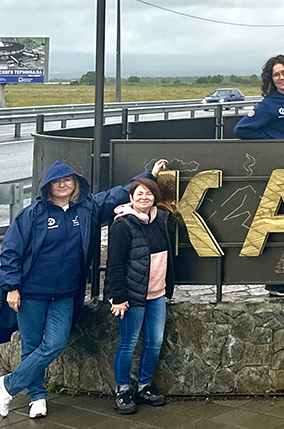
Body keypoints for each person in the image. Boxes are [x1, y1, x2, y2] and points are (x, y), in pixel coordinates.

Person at [0, 159, 166, 420]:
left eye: (68, 180)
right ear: (48, 186)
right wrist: (11, 287)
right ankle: (37, 396)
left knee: (55, 343)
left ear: (76, 184)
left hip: (65, 293)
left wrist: (149, 174)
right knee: (32, 345)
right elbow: (11, 250)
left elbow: (118, 194)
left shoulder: (87, 208)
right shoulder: (32, 214)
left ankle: (8, 385)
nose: (63, 184)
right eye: (57, 181)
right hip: (31, 292)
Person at [234, 54, 284, 297]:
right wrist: (273, 143)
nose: (281, 77)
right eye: (276, 74)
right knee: (278, 223)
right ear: (271, 79)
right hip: (278, 173)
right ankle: (275, 281)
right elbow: (242, 129)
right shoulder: (267, 105)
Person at [105, 178, 174, 415]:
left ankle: (144, 387)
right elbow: (115, 263)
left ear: (155, 197)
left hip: (157, 295)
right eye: (139, 194)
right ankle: (122, 391)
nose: (144, 198)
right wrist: (118, 297)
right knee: (128, 343)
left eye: (149, 194)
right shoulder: (122, 225)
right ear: (131, 197)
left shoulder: (159, 220)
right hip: (131, 296)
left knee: (154, 342)